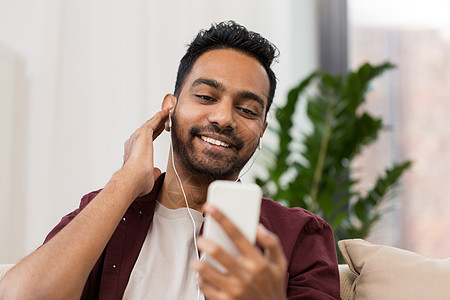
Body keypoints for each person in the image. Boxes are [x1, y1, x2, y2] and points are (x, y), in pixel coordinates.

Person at [0, 21, 340, 299]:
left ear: (262, 128)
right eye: (206, 96)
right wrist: (127, 180)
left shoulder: (300, 236)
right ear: (170, 108)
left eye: (247, 110)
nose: (224, 118)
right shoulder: (105, 212)